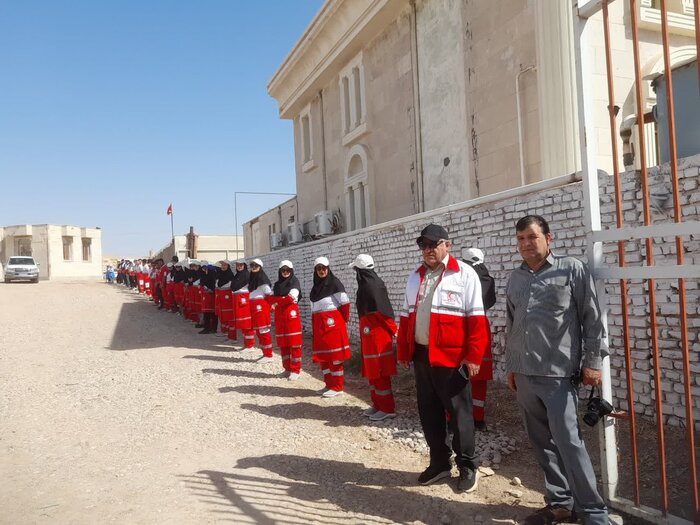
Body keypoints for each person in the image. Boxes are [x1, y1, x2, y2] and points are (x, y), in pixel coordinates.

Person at [506, 215, 608, 525]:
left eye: (532, 237)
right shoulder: (516, 277)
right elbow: (511, 324)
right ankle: (560, 503)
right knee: (541, 443)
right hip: (524, 374)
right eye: (521, 238)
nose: (525, 244)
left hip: (558, 374)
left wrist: (592, 362)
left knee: (569, 443)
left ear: (549, 238)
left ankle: (593, 513)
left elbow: (592, 317)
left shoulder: (571, 269)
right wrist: (511, 366)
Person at [397, 223, 490, 493]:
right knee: (429, 412)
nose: (427, 250)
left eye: (432, 244)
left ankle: (468, 466)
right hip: (423, 356)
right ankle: (439, 463)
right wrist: (404, 351)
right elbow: (406, 317)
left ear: (447, 245)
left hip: (453, 358)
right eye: (423, 246)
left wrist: (473, 357)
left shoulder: (464, 274)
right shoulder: (415, 277)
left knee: (460, 413)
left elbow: (477, 320)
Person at [349, 254, 398, 421]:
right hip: (370, 336)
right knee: (372, 372)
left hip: (378, 337)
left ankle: (387, 407)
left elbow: (382, 313)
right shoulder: (366, 286)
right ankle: (377, 404)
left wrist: (394, 330)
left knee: (380, 371)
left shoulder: (372, 287)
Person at [462, 247, 496, 431]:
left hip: (463, 326)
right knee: (479, 378)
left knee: (458, 376)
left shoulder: (463, 278)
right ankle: (478, 419)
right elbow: (489, 302)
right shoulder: (488, 280)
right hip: (482, 326)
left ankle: (455, 418)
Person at [310, 256, 351, 398]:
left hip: (333, 326)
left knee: (335, 357)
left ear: (328, 269)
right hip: (320, 328)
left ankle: (338, 387)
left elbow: (345, 304)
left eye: (324, 268)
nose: (322, 271)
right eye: (319, 269)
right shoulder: (316, 287)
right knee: (324, 357)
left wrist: (341, 321)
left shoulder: (335, 283)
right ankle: (329, 384)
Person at [270, 260, 303, 380]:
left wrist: (277, 301)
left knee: (294, 343)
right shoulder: (277, 284)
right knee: (283, 344)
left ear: (291, 271)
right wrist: (278, 300)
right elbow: (271, 298)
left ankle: (295, 369)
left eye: (288, 270)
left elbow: (291, 298)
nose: (285, 272)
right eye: (283, 270)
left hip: (291, 316)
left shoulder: (295, 282)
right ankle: (287, 368)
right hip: (280, 317)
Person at [247, 258, 274, 363]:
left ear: (260, 267)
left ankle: (269, 354)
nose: (254, 267)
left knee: (263, 330)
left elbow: (268, 294)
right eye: (252, 265)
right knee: (258, 331)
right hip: (254, 307)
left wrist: (271, 306)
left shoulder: (262, 280)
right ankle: (264, 353)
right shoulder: (252, 279)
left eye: (256, 266)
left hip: (261, 307)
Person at [228, 260, 251, 345]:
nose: (239, 266)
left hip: (243, 300)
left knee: (246, 322)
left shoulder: (247, 275)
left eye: (241, 265)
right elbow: (233, 286)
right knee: (240, 322)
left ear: (244, 265)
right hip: (237, 299)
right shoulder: (237, 275)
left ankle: (249, 344)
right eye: (238, 265)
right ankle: (245, 342)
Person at [214, 260, 235, 335]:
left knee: (228, 314)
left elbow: (231, 286)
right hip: (220, 298)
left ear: (228, 266)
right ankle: (223, 330)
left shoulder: (230, 275)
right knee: (222, 314)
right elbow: (217, 284)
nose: (223, 266)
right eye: (222, 265)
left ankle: (229, 332)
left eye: (225, 265)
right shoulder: (219, 274)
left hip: (227, 299)